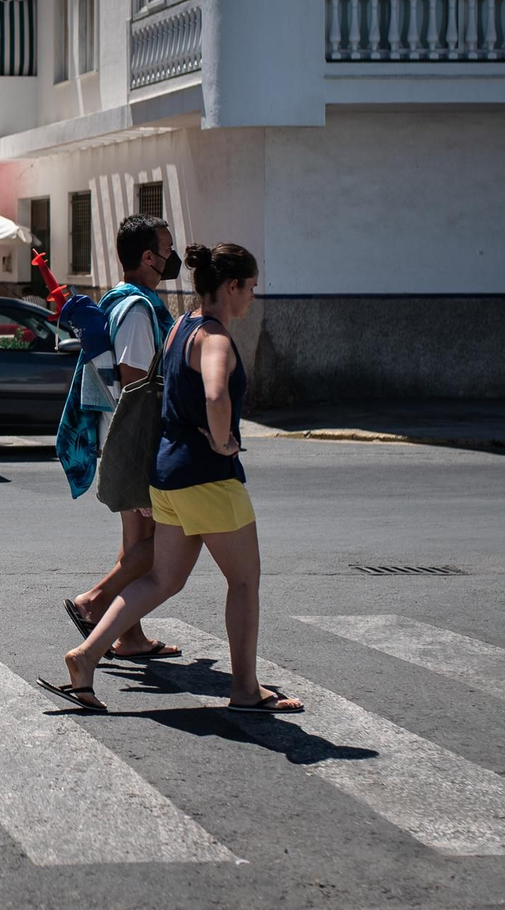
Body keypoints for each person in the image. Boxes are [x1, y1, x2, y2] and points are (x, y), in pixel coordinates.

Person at [41, 243, 304, 714]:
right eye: (252, 288)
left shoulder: (181, 325)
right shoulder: (216, 338)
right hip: (209, 478)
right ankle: (245, 690)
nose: (252, 298)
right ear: (233, 285)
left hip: (166, 475)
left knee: (162, 578)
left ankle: (85, 657)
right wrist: (223, 440)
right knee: (244, 583)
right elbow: (216, 393)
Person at [62, 214, 184, 660]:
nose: (173, 259)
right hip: (135, 439)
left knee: (137, 542)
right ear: (149, 257)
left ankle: (129, 636)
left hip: (122, 436)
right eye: (168, 251)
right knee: (162, 542)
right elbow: (137, 384)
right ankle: (92, 602)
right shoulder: (136, 310)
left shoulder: (119, 300)